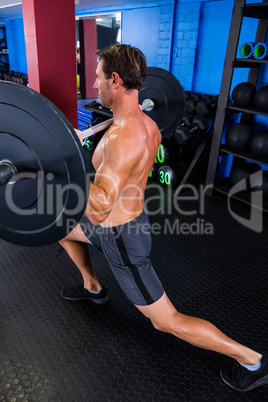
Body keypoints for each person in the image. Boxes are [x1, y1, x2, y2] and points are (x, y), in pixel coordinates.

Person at [59, 44, 268, 393]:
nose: (92, 86)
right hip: (121, 223)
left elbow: (98, 207)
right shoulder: (144, 121)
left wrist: (65, 171)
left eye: (96, 78)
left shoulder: (123, 139)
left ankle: (251, 360)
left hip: (121, 237)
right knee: (62, 229)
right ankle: (93, 287)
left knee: (165, 322)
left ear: (114, 79)